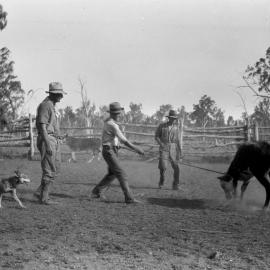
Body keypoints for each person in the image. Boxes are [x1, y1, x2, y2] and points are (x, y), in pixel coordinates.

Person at [91, 102, 144, 204]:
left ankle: (96, 192)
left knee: (112, 174)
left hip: (111, 150)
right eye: (118, 114)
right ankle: (129, 198)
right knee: (121, 174)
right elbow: (124, 140)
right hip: (109, 151)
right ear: (113, 114)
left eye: (119, 113)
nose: (119, 115)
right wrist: (137, 149)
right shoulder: (112, 124)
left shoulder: (110, 123)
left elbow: (111, 138)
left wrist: (116, 144)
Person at [35, 82, 66, 205]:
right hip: (47, 139)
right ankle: (44, 198)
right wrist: (47, 145)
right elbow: (42, 128)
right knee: (49, 170)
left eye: (61, 94)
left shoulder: (52, 106)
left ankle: (40, 192)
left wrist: (59, 137)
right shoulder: (45, 105)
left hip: (54, 139)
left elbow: (51, 125)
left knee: (56, 169)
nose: (61, 97)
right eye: (58, 94)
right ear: (52, 94)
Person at [155, 109, 182, 190]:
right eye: (172, 118)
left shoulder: (177, 128)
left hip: (173, 148)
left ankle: (175, 184)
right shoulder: (162, 126)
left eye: (174, 118)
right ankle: (161, 181)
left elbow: (178, 141)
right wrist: (161, 144)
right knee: (163, 167)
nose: (173, 120)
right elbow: (156, 136)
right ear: (169, 118)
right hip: (164, 147)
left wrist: (180, 152)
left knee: (177, 167)